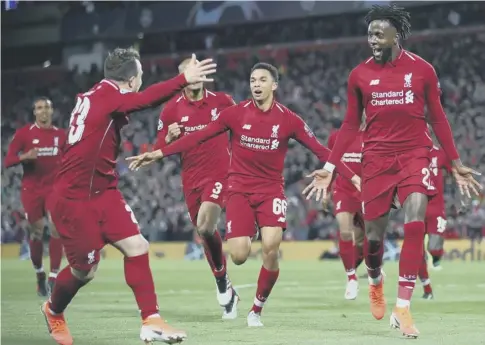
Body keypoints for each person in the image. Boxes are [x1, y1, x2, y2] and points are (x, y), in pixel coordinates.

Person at [127, 62, 360, 327]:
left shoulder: (288, 119)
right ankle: (243, 243)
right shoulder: (235, 114)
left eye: (262, 80)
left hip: (271, 189)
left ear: (274, 85)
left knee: (271, 247)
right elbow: (199, 137)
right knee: (238, 256)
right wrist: (159, 152)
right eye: (252, 80)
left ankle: (256, 309)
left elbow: (320, 149)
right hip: (239, 190)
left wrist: (351, 175)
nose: (256, 85)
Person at [302, 4, 482, 338]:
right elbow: (350, 123)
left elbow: (438, 117)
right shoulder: (359, 75)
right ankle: (374, 279)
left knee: (416, 222)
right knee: (373, 240)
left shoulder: (423, 70)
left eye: (378, 34)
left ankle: (403, 308)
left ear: (395, 35)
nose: (371, 39)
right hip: (377, 159)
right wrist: (329, 166)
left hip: (415, 154)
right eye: (369, 33)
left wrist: (455, 163)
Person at [41, 48, 216, 345]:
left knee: (137, 246)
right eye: (141, 78)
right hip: (74, 198)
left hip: (102, 191)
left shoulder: (99, 94)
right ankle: (53, 310)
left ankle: (151, 321)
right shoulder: (109, 94)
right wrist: (182, 79)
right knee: (85, 270)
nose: (142, 84)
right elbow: (144, 101)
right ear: (132, 80)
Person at [154, 57, 238, 319]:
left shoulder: (222, 101)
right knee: (204, 232)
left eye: (198, 72)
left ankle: (223, 281)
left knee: (205, 226)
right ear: (182, 78)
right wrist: (167, 138)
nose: (194, 76)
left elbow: (241, 130)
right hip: (191, 180)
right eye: (188, 73)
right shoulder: (170, 111)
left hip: (219, 175)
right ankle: (223, 281)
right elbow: (160, 148)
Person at [4, 97, 66, 296]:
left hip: (55, 189)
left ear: (52, 110)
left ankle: (54, 277)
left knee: (57, 229)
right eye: (40, 108)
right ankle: (39, 273)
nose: (44, 111)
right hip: (32, 190)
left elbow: (72, 159)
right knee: (36, 232)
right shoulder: (24, 134)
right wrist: (24, 157)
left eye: (47, 107)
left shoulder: (61, 135)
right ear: (34, 112)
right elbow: (8, 161)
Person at [326, 125, 365, 300]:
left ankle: (372, 268)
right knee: (345, 230)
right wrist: (326, 190)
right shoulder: (336, 137)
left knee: (366, 242)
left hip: (367, 191)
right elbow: (331, 164)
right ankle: (351, 278)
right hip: (344, 190)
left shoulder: (375, 135)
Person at [418, 144, 451, 300]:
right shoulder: (409, 151)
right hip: (416, 206)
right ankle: (427, 288)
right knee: (417, 250)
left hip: (436, 206)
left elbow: (454, 170)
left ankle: (437, 258)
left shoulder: (440, 152)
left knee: (434, 247)